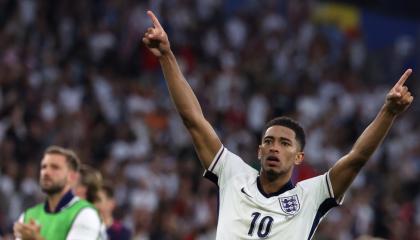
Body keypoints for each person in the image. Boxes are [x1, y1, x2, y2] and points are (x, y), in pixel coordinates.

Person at [142, 10, 414, 239]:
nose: (274, 148)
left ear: (299, 157)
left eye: (285, 143)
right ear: (259, 151)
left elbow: (357, 158)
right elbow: (194, 120)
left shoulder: (312, 195)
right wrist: (166, 56)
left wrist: (388, 112)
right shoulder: (234, 174)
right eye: (269, 142)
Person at [13, 146, 102, 240]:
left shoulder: (86, 213)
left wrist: (36, 238)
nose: (46, 172)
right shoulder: (28, 215)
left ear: (72, 177)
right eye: (44, 167)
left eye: (55, 167)